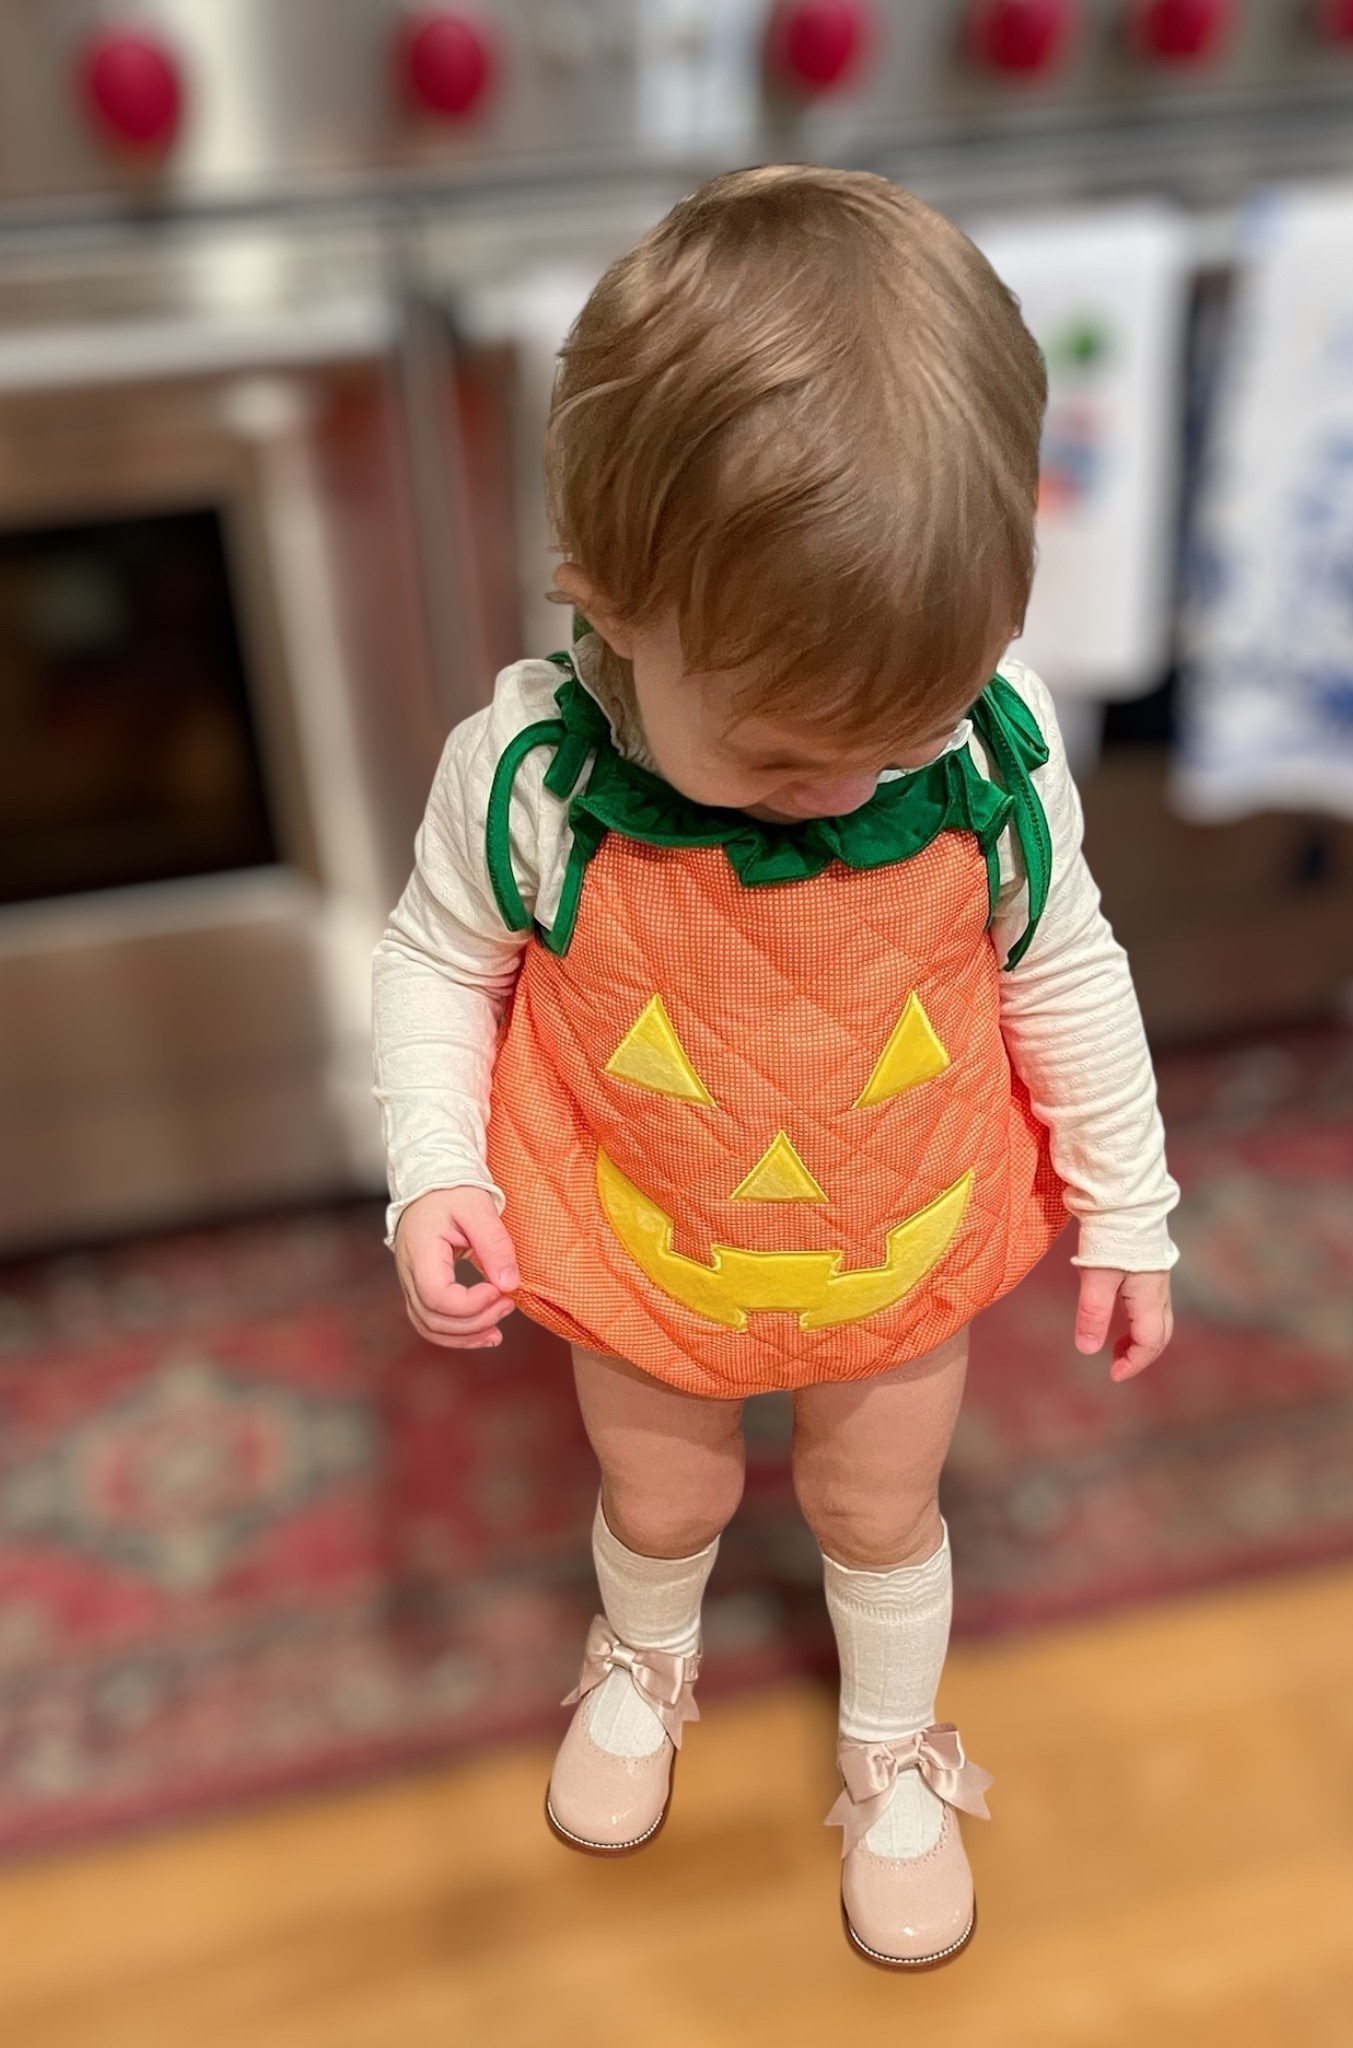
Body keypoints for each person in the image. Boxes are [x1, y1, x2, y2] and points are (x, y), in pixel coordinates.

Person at [371, 163, 1178, 1972]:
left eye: (900, 732)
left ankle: (896, 1751)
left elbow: (1068, 967)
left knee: (875, 1502)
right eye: (788, 757)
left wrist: (1132, 1205)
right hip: (636, 1233)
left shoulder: (989, 752)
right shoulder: (530, 782)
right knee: (663, 1492)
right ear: (609, 601)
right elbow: (435, 964)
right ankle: (646, 1652)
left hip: (904, 1235)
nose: (851, 786)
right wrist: (438, 1168)